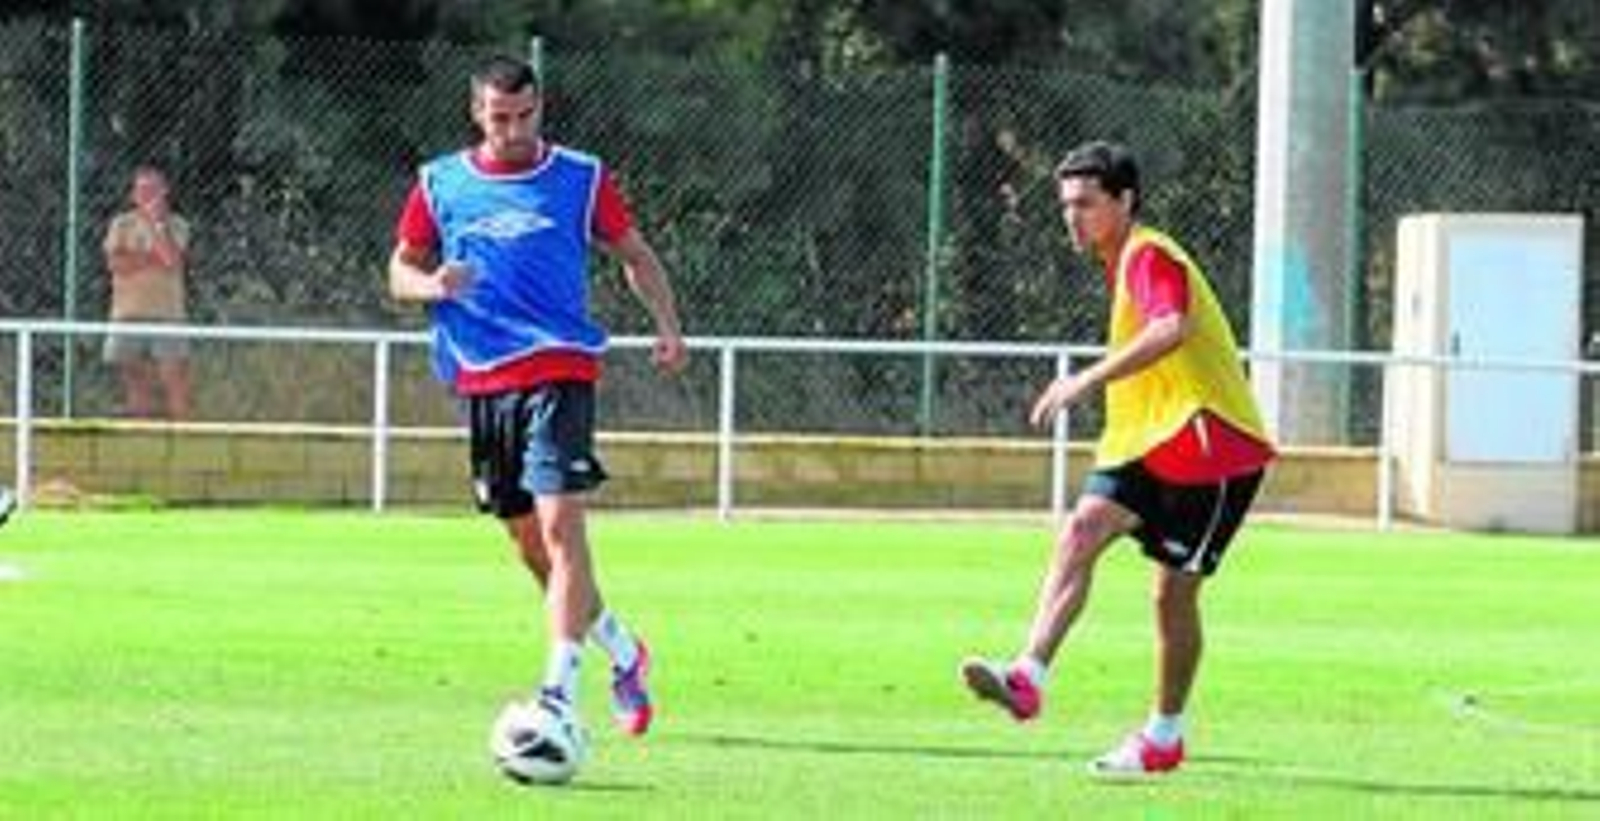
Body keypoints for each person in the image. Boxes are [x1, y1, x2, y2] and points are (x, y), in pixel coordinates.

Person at [388, 56, 687, 746]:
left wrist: (668, 325)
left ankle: (557, 694)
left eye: (525, 116)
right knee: (532, 548)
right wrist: (432, 284)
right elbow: (399, 267)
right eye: (500, 118)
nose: (514, 129)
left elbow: (635, 255)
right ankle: (621, 648)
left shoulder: (580, 177)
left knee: (561, 529)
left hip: (560, 366)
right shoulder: (440, 183)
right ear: (477, 112)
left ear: (540, 106)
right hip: (483, 377)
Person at [959, 141, 1274, 776]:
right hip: (1152, 441)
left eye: (1087, 203)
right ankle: (1029, 675)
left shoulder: (1148, 253)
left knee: (1171, 598)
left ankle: (1163, 735)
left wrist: (1084, 381)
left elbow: (1170, 328)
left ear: (1125, 201)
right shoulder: (1122, 260)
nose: (1073, 217)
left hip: (1212, 449)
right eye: (1066, 205)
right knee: (1080, 531)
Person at [102, 166, 192, 420]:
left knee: (174, 378)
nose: (147, 195)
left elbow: (172, 261)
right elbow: (116, 265)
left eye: (153, 189)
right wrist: (152, 259)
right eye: (141, 190)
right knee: (129, 372)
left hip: (168, 313)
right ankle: (143, 423)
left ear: (165, 192)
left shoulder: (177, 225)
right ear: (133, 194)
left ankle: (185, 433)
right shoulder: (121, 224)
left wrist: (156, 225)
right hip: (127, 312)